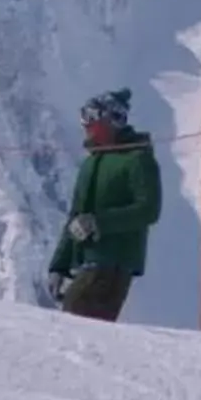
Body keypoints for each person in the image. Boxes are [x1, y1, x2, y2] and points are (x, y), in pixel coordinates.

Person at [47, 89, 161, 322]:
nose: (85, 123)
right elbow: (75, 216)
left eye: (91, 116)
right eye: (83, 116)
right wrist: (59, 265)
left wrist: (100, 223)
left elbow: (148, 209)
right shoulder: (91, 163)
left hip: (115, 263)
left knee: (75, 327)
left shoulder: (137, 159)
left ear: (112, 119)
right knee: (73, 324)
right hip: (88, 262)